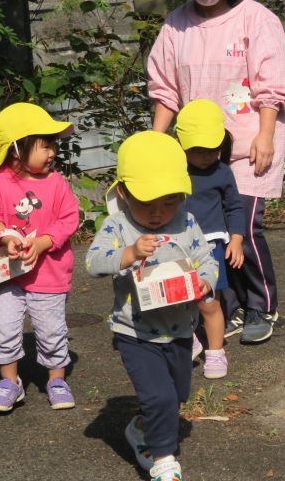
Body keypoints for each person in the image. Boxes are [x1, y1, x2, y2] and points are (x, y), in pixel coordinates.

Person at [147, 0, 285, 344]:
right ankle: (225, 307)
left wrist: (265, 136)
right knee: (205, 232)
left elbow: (273, 86)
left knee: (244, 229)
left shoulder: (257, 19)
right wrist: (157, 146)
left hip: (249, 143)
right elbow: (165, 91)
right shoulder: (176, 25)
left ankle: (262, 305)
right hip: (197, 152)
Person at [86, 131, 218, 481]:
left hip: (181, 329)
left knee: (175, 396)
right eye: (147, 203)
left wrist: (205, 281)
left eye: (169, 201)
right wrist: (128, 254)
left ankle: (142, 426)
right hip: (136, 331)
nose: (159, 213)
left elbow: (206, 259)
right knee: (159, 395)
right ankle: (163, 461)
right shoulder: (118, 225)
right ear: (124, 193)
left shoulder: (186, 222)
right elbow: (93, 261)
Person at [0, 102, 79, 413]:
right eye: (44, 145)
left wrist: (46, 241)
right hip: (10, 272)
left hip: (49, 273)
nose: (52, 152)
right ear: (18, 149)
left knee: (51, 329)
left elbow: (69, 217)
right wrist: (5, 237)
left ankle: (56, 379)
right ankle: (10, 382)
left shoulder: (56, 182)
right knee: (4, 326)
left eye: (52, 146)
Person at [176, 99, 245, 379]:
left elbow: (235, 207)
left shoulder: (222, 172)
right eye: (197, 149)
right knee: (179, 299)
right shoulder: (175, 170)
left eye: (211, 148)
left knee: (209, 301)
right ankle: (187, 339)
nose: (205, 155)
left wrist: (236, 239)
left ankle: (215, 351)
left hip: (211, 245)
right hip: (177, 245)